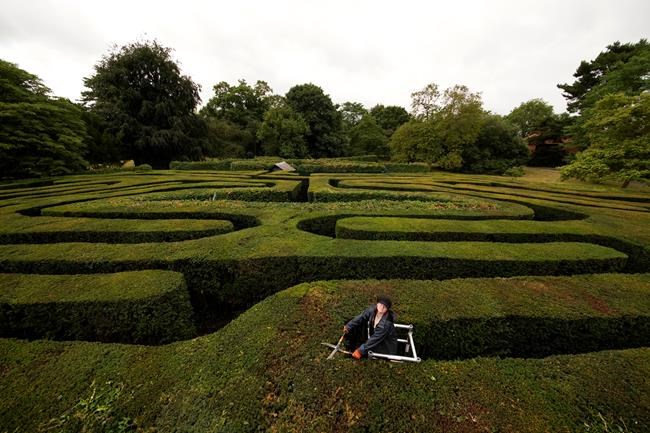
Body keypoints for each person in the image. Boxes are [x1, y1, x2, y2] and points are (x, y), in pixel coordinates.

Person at [343, 295, 398, 360]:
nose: (381, 307)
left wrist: (360, 351)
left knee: (365, 353)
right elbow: (361, 317)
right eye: (380, 304)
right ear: (377, 304)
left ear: (387, 309)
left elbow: (375, 339)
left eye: (384, 306)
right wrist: (349, 326)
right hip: (376, 342)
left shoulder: (386, 323)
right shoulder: (372, 310)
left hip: (385, 347)